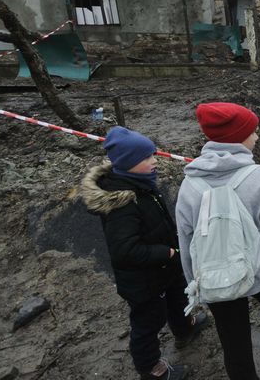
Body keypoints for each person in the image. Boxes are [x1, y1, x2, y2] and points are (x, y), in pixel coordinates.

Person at [175, 102, 260, 379]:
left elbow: (186, 241)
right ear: (237, 137)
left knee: (233, 340)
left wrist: (194, 284)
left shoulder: (189, 184)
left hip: (216, 279)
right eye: (253, 132)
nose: (257, 137)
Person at [76, 126, 207, 380]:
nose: (154, 160)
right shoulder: (122, 204)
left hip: (165, 268)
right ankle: (151, 368)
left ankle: (185, 328)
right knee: (148, 323)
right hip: (144, 281)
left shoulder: (142, 184)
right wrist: (165, 252)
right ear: (129, 164)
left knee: (178, 298)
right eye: (147, 158)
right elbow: (124, 250)